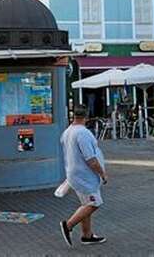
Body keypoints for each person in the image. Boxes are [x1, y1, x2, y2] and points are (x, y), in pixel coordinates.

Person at [59, 105, 107, 247]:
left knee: (86, 203)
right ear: (86, 117)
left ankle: (87, 235)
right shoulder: (83, 133)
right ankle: (68, 225)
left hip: (74, 173)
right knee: (94, 203)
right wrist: (102, 173)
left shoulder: (67, 132)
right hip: (85, 175)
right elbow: (91, 159)